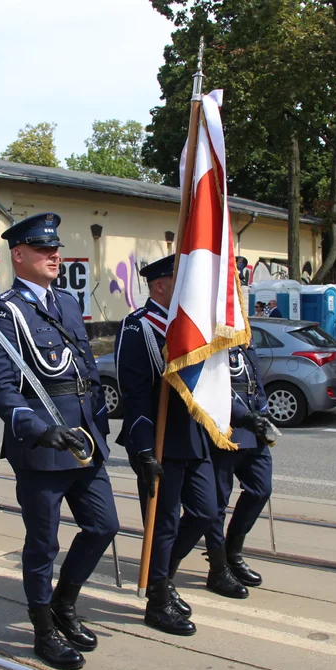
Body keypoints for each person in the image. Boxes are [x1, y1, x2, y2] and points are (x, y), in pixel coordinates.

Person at [0, 213, 118, 670]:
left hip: (83, 439)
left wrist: (98, 420)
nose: (54, 255)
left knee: (103, 526)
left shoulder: (67, 302)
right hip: (41, 446)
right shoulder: (6, 311)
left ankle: (64, 603)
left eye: (55, 248)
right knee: (43, 543)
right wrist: (40, 428)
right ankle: (42, 628)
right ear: (19, 255)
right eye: (43, 249)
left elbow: (85, 370)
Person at [116, 254, 216, 637]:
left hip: (193, 433)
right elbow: (135, 393)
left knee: (206, 511)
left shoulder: (188, 326)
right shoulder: (138, 328)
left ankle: (162, 576)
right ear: (160, 285)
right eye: (180, 279)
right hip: (158, 438)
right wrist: (143, 448)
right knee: (163, 524)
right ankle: (157, 600)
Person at [203, 343, 276, 598]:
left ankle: (233, 551)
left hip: (253, 428)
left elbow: (255, 379)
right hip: (224, 428)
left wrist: (264, 413)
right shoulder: (211, 338)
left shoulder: (244, 336)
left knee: (261, 488)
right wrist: (244, 416)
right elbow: (211, 388)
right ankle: (218, 566)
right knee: (216, 503)